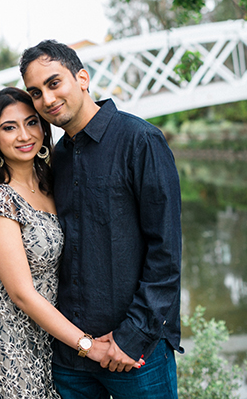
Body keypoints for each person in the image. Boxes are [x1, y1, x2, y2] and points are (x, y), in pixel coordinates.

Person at [20, 40, 183, 399]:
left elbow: (166, 252)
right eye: (35, 92)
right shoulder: (55, 159)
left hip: (136, 355)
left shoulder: (140, 141)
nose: (46, 99)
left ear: (82, 78)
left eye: (53, 83)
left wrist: (132, 337)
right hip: (70, 357)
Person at [0, 87, 120, 399]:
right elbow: (21, 293)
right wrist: (86, 345)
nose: (24, 135)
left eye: (32, 122)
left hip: (51, 333)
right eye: (9, 127)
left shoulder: (52, 181)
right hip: (9, 334)